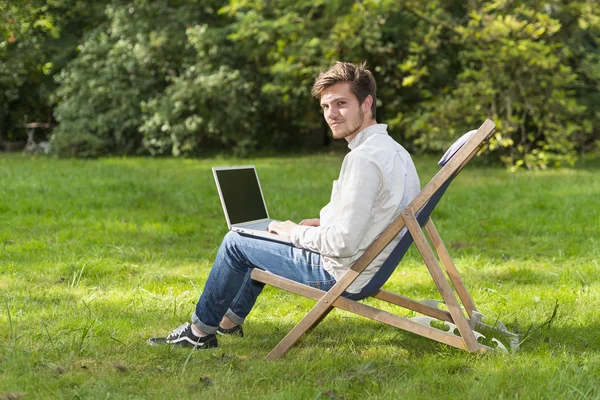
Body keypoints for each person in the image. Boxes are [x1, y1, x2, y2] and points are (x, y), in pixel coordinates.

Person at [148, 61, 421, 348]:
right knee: (262, 236)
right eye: (326, 107)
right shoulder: (395, 151)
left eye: (341, 103)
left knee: (235, 242)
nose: (332, 114)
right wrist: (320, 224)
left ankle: (198, 333)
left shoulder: (364, 159)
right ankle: (228, 324)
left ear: (366, 104)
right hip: (365, 267)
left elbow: (343, 244)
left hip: (341, 273)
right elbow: (376, 214)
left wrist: (293, 232)